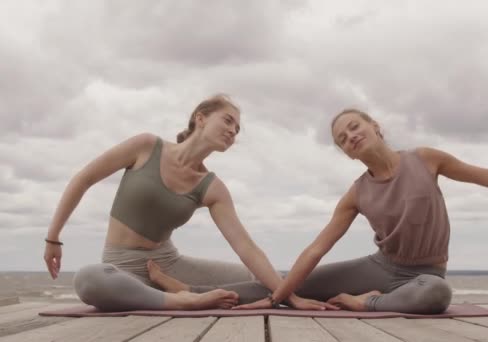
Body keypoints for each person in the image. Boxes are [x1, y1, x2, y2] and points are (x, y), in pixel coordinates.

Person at [151, 108, 488, 314]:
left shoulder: (426, 159)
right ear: (346, 153)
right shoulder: (355, 192)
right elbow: (316, 248)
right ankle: (189, 291)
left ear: (374, 127)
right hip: (380, 266)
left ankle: (364, 304)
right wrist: (282, 296)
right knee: (284, 282)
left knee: (436, 298)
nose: (351, 137)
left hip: (425, 274)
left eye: (355, 127)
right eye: (343, 138)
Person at [43, 95, 334, 312]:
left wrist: (289, 298)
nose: (233, 131)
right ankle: (183, 300)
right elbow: (83, 179)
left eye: (238, 129)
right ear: (201, 117)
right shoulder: (146, 146)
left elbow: (245, 247)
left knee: (268, 284)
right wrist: (53, 237)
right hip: (121, 268)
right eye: (228, 120)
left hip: (170, 266)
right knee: (88, 279)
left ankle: (182, 292)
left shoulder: (212, 187)